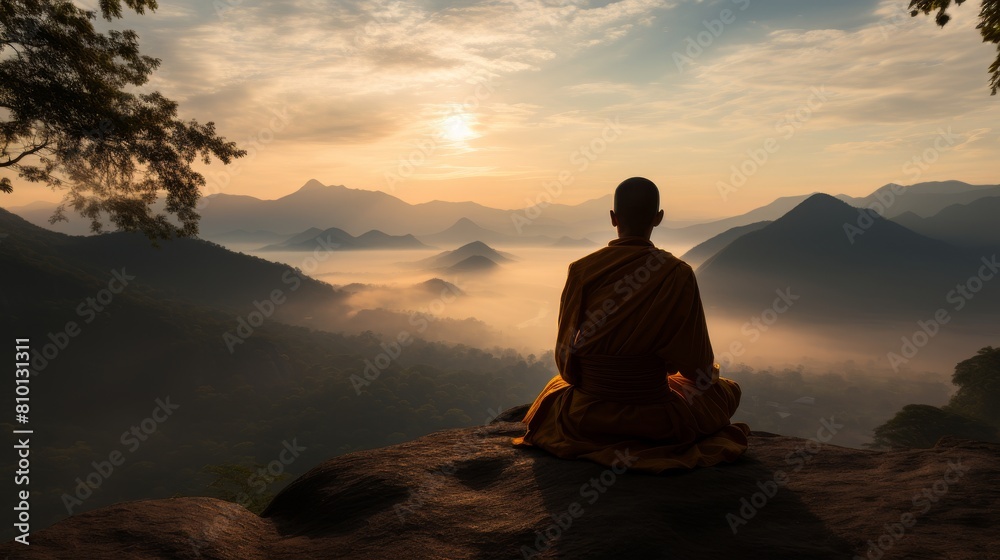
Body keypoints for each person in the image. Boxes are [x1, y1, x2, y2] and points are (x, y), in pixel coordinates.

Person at [512, 177, 750, 473]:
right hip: (656, 420)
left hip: (585, 417)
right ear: (658, 218)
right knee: (727, 390)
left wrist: (604, 379)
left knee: (555, 387)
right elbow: (698, 370)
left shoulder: (582, 270)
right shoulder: (677, 273)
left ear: (613, 218)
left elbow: (566, 363)